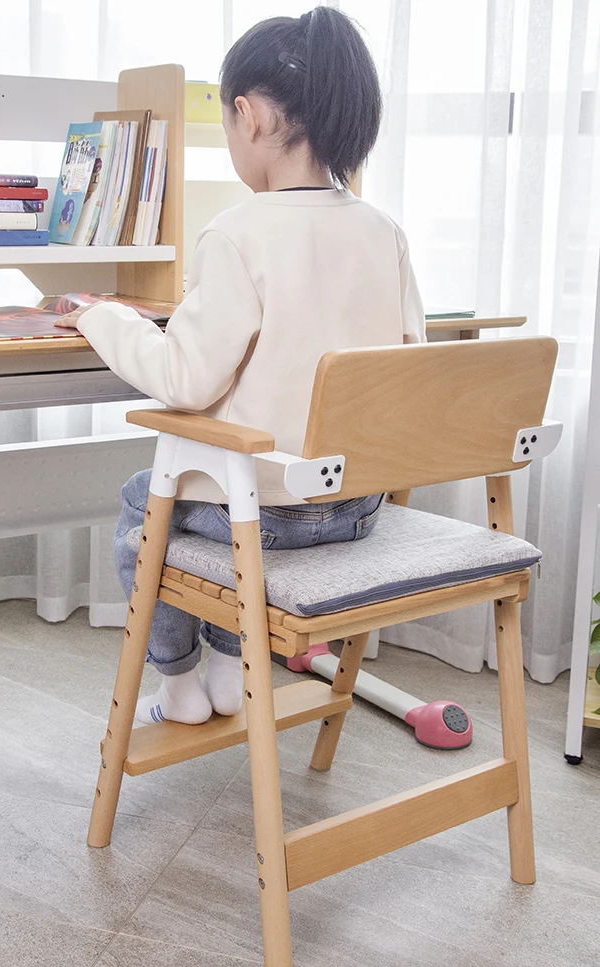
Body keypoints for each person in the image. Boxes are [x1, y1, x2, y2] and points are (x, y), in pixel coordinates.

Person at [55, 7, 425, 725]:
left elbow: (186, 379)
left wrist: (104, 316)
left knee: (149, 505)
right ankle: (231, 665)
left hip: (272, 518)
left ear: (248, 116)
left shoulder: (237, 232)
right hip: (356, 508)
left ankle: (179, 683)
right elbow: (408, 367)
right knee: (235, 497)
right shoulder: (386, 232)